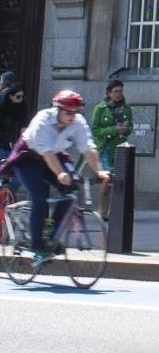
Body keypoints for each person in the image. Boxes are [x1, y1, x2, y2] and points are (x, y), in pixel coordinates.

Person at [6, 89, 107, 264]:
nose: (72, 116)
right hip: (30, 156)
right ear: (58, 109)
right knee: (40, 197)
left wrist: (99, 171)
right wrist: (60, 173)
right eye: (68, 112)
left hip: (55, 154)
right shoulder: (43, 119)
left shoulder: (78, 122)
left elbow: (88, 148)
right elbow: (46, 152)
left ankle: (52, 235)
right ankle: (38, 246)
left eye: (75, 112)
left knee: (72, 192)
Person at [90, 80, 132, 216]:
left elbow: (130, 127)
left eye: (121, 91)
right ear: (109, 93)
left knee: (120, 181)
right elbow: (95, 129)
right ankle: (103, 211)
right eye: (116, 91)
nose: (119, 94)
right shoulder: (100, 108)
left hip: (120, 149)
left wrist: (125, 130)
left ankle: (118, 211)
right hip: (105, 149)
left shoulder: (127, 108)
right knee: (107, 180)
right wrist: (113, 129)